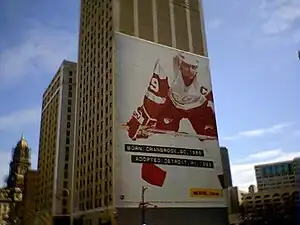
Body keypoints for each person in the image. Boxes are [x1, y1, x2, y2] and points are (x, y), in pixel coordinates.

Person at [126, 52, 218, 141]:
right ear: (180, 62)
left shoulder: (206, 74)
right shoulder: (166, 66)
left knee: (209, 134)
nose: (189, 71)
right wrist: (142, 117)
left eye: (193, 67)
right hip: (173, 106)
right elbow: (155, 97)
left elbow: (219, 104)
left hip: (199, 108)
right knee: (164, 132)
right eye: (186, 65)